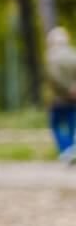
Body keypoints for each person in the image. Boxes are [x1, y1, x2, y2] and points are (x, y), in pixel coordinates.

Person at [45, 26, 76, 163]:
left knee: (55, 124)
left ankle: (66, 149)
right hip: (74, 98)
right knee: (72, 124)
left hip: (59, 99)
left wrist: (68, 89)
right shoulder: (73, 54)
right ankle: (71, 149)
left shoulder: (52, 57)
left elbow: (54, 78)